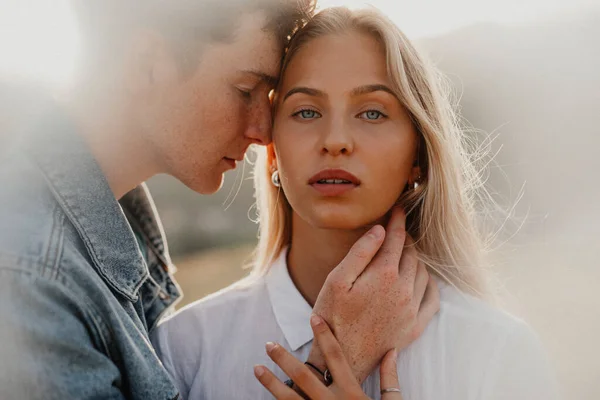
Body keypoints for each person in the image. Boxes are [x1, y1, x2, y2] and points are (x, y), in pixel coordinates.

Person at [0, 1, 440, 399]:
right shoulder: (32, 276)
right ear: (148, 63)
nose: (266, 132)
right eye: (246, 89)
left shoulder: (100, 250)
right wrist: (332, 361)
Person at [152, 6, 560, 400]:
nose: (335, 141)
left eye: (371, 113)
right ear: (273, 153)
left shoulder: (499, 352)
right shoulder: (183, 349)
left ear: (417, 156)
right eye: (307, 111)